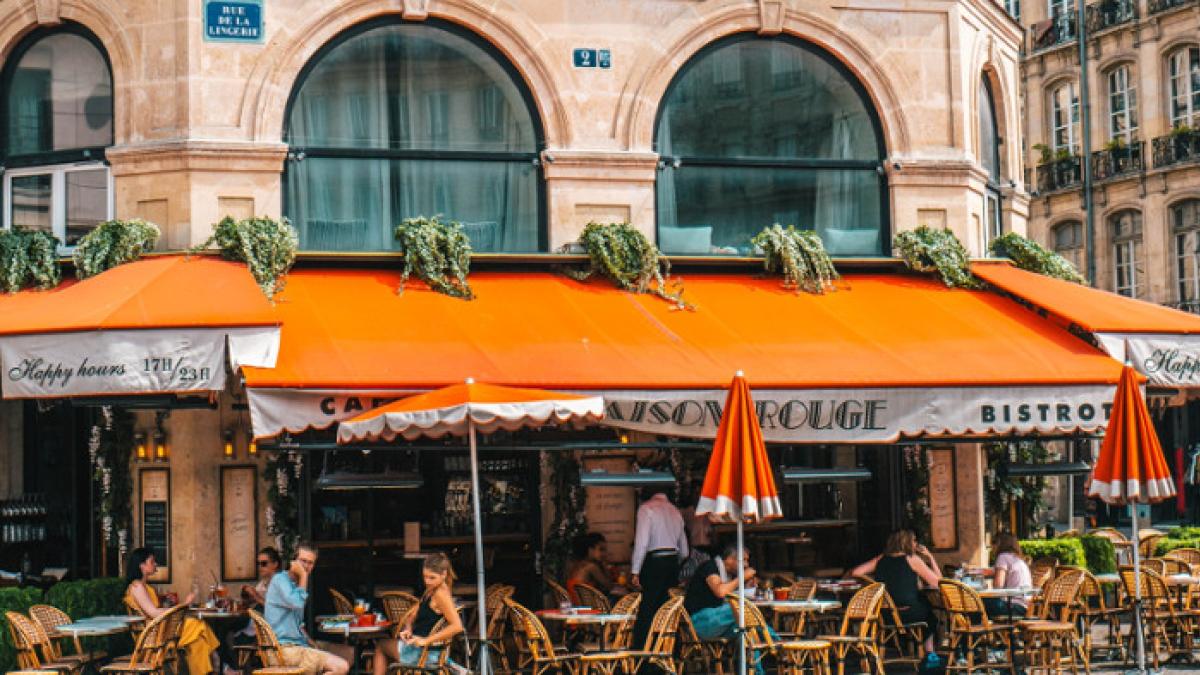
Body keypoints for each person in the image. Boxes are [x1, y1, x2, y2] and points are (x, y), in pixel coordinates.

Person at [125, 548, 228, 675]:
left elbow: (156, 611)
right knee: (197, 624)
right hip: (154, 636)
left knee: (197, 640)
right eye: (152, 561)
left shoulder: (145, 586)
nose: (156, 564)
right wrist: (183, 605)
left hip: (161, 630)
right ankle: (218, 663)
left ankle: (217, 665)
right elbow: (153, 613)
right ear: (142, 565)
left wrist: (173, 605)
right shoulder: (137, 586)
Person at [849, 529, 942, 665]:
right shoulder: (912, 559)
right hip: (908, 613)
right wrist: (930, 557)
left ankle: (926, 652)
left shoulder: (881, 559)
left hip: (884, 614)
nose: (916, 544)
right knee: (931, 615)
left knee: (924, 605)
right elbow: (938, 582)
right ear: (907, 542)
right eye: (914, 540)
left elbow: (856, 572)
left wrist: (873, 583)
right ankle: (930, 653)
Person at [264, 543, 351, 675]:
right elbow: (297, 602)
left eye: (310, 563)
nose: (306, 566)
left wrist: (312, 644)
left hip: (300, 646)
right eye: (303, 561)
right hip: (283, 650)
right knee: (341, 666)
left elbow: (299, 626)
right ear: (293, 561)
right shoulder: (280, 580)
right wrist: (304, 576)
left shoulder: (297, 585)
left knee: (349, 653)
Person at [372, 552, 464, 675]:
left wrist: (426, 640)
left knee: (381, 646)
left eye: (432, 577)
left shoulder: (441, 594)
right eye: (425, 577)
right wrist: (408, 629)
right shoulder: (431, 590)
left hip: (425, 654)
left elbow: (457, 626)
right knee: (387, 649)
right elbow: (411, 616)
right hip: (419, 648)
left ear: (444, 574)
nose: (427, 581)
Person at [630, 488, 688, 647]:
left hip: (654, 562)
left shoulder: (646, 508)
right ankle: (668, 649)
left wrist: (635, 571)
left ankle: (644, 654)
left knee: (648, 608)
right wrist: (676, 563)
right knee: (667, 609)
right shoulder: (675, 511)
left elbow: (641, 543)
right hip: (672, 563)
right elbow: (685, 551)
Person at [984, 533, 1031, 619]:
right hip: (1025, 607)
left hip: (1013, 607)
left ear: (999, 544)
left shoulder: (1003, 557)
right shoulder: (1017, 559)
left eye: (993, 543)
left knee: (975, 603)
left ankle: (974, 630)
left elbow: (998, 586)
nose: (991, 547)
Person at [566, 532, 613, 603]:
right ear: (590, 550)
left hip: (576, 604)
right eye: (601, 549)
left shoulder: (577, 563)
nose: (604, 554)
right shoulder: (591, 567)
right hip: (585, 606)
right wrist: (604, 564)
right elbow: (609, 587)